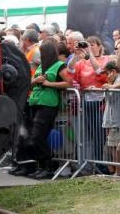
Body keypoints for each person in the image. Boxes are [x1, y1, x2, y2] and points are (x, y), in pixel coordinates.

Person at [20, 40, 71, 179]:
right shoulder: (41, 66)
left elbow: (68, 82)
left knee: (37, 135)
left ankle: (48, 166)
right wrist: (36, 81)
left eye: (42, 52)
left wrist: (49, 83)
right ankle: (42, 166)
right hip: (35, 102)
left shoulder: (59, 66)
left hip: (48, 104)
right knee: (34, 136)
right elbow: (30, 83)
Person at [68, 35, 110, 171]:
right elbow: (70, 71)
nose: (89, 47)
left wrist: (90, 54)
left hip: (101, 102)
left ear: (99, 46)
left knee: (100, 135)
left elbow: (100, 71)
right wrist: (75, 55)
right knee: (91, 136)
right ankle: (93, 164)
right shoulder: (82, 63)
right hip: (87, 102)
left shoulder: (106, 59)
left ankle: (102, 165)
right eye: (87, 44)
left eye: (92, 44)